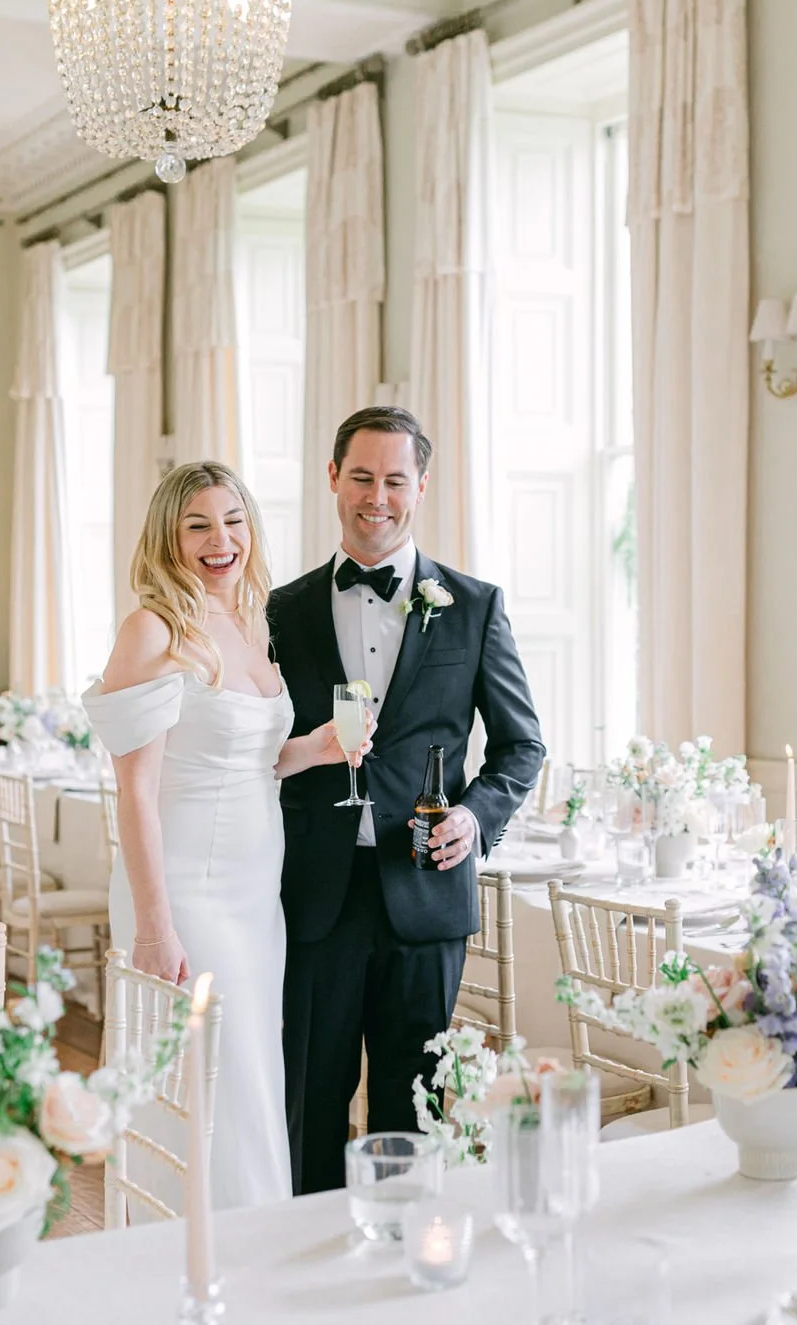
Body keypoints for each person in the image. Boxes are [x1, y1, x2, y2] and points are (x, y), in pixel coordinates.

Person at [268, 405, 546, 1195]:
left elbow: (523, 747)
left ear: (420, 486)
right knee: (310, 1101)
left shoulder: (476, 605)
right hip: (313, 894)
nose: (377, 496)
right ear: (333, 479)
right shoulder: (282, 611)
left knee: (411, 1108)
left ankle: (397, 1272)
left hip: (425, 894)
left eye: (395, 479)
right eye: (362, 476)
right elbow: (257, 743)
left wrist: (474, 816)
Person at [84, 460, 366, 1209]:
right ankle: (194, 1246)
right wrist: (154, 926)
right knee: (206, 1072)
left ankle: (254, 1243)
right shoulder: (152, 628)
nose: (221, 540)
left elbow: (254, 759)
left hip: (253, 891)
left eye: (233, 520)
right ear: (168, 537)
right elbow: (137, 789)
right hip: (183, 890)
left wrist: (317, 748)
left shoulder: (249, 618)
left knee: (251, 1067)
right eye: (199, 524)